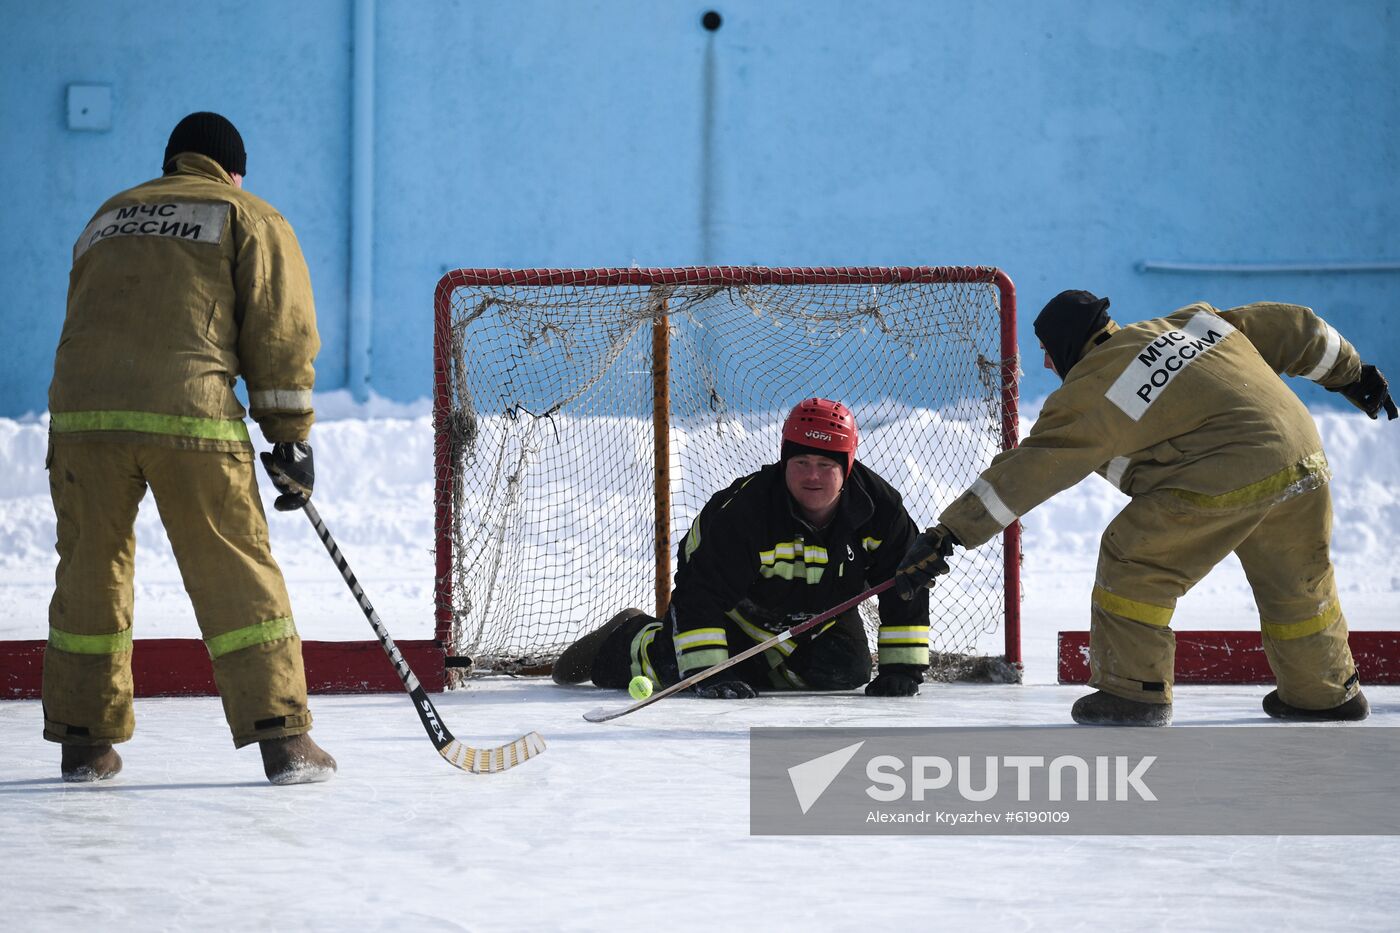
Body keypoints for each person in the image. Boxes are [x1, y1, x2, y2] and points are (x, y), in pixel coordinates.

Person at [896, 290, 1396, 726]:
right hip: (1302, 456)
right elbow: (1298, 327)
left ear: (1070, 344)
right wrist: (1352, 375)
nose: (1047, 365)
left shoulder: (1093, 388)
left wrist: (949, 532)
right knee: (1299, 584)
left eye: (1048, 352)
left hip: (1225, 471)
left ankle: (1133, 692)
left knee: (1134, 560)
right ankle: (1326, 695)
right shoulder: (1194, 323)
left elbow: (1031, 468)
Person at [44, 112, 336, 783]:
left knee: (91, 574)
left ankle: (84, 744)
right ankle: (284, 741)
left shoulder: (108, 216)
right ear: (233, 169)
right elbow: (281, 332)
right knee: (234, 569)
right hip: (189, 415)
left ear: (174, 161)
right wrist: (289, 439)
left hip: (83, 418)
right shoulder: (248, 213)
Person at [552, 398, 932, 698]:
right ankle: (632, 636)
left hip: (816, 621)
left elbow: (904, 586)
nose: (812, 476)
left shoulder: (881, 511)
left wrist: (902, 670)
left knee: (844, 673)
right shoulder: (744, 513)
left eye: (825, 464)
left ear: (847, 466)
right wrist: (706, 672)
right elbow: (699, 592)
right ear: (784, 460)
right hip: (736, 619)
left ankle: (755, 665)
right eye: (800, 462)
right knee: (685, 671)